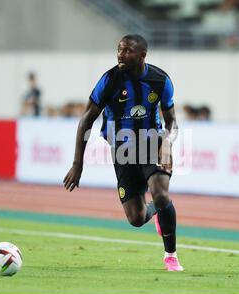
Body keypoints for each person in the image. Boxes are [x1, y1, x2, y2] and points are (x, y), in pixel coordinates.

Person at [63, 34, 183, 271]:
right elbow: (86, 121)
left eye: (127, 51)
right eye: (119, 50)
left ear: (142, 56)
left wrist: (167, 141)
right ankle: (159, 212)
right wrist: (78, 164)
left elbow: (172, 121)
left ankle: (171, 256)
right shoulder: (109, 80)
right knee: (136, 219)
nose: (121, 55)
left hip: (152, 142)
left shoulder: (160, 80)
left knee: (160, 193)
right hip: (122, 149)